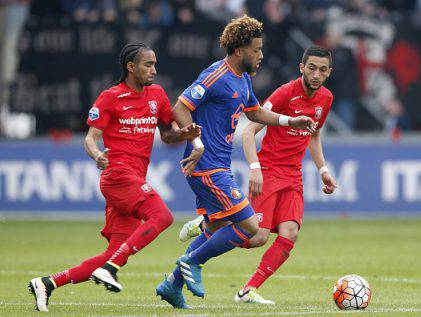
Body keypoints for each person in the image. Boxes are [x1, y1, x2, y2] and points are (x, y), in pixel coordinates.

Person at [155, 15, 316, 309]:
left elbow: (255, 113)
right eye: (256, 49)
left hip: (219, 167)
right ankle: (191, 262)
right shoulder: (216, 75)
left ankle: (172, 285)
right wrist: (197, 143)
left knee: (216, 230)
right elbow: (180, 106)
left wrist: (290, 119)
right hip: (207, 167)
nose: (261, 55)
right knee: (251, 226)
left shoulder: (242, 79)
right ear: (239, 50)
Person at [28, 42, 201, 312]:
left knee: (114, 252)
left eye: (155, 63)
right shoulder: (110, 97)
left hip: (133, 180)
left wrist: (185, 134)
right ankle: (111, 268)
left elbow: (167, 134)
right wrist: (97, 155)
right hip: (118, 176)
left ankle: (47, 283)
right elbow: (90, 138)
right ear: (131, 67)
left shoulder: (157, 94)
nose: (154, 69)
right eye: (148, 64)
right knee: (162, 216)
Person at [180, 45, 338, 304]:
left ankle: (247, 290)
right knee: (257, 237)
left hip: (294, 176)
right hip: (270, 171)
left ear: (329, 72)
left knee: (290, 233)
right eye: (311, 68)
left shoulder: (326, 99)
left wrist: (323, 171)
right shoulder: (286, 92)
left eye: (322, 70)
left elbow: (315, 134)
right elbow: (250, 131)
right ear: (301, 68)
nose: (316, 74)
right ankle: (209, 224)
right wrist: (256, 169)